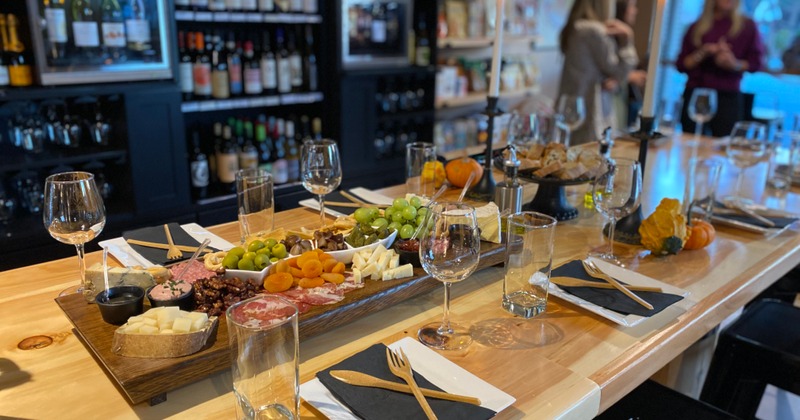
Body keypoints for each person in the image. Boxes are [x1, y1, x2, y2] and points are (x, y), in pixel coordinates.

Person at [676, 0, 765, 137]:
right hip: (697, 94)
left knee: (724, 146)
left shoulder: (747, 27)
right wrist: (703, 52)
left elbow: (756, 64)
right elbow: (681, 65)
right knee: (691, 141)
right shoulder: (696, 27)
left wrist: (733, 64)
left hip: (728, 97)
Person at [558, 0, 639, 145]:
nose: (635, 10)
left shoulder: (575, 27)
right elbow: (620, 70)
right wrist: (628, 37)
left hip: (571, 105)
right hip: (590, 110)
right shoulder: (594, 31)